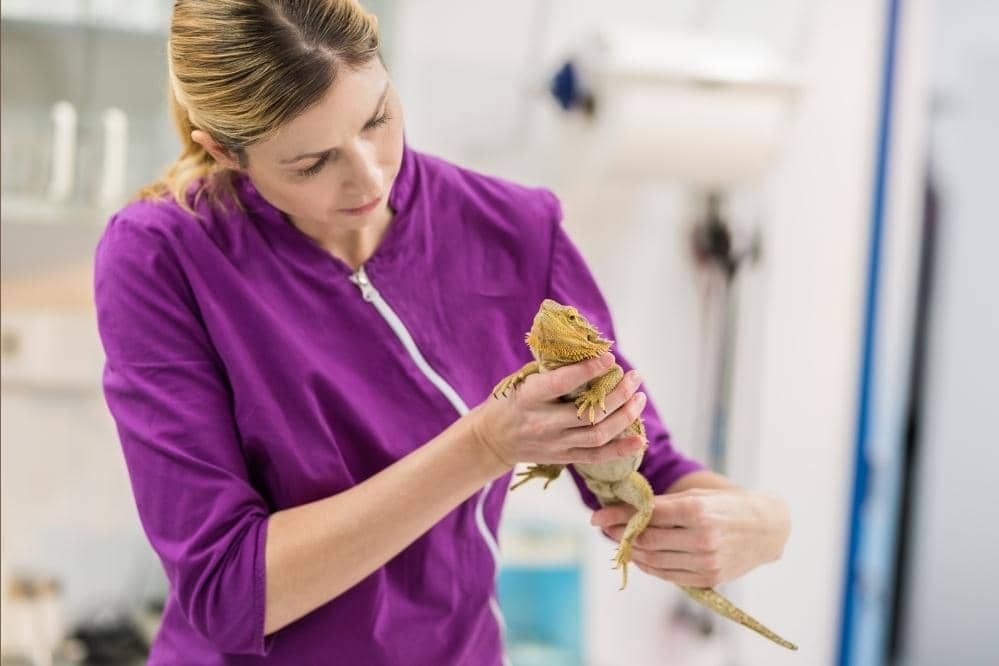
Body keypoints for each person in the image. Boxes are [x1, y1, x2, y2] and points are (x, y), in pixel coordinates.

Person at [93, 1, 792, 663]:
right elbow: (227, 590)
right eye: (310, 162)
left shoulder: (514, 231)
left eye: (376, 119)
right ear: (223, 150)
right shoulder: (163, 256)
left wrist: (760, 523)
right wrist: (485, 444)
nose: (369, 176)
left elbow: (643, 470)